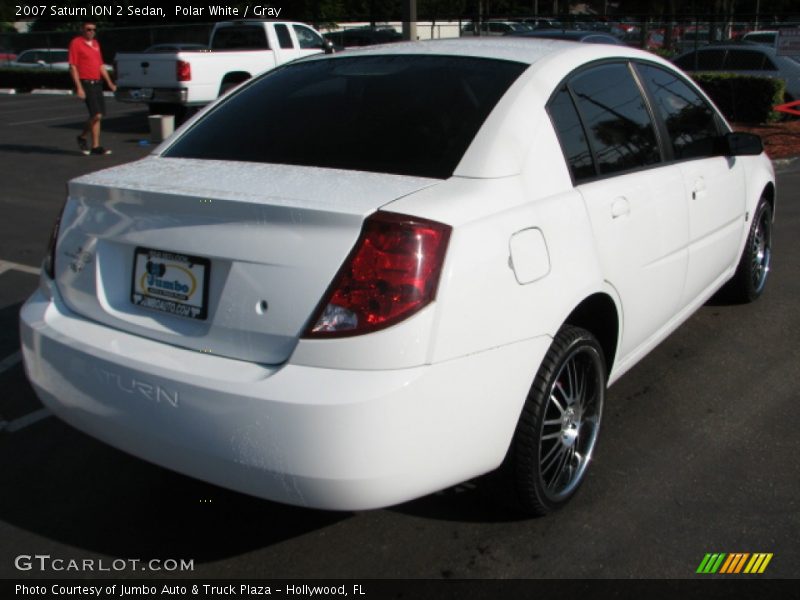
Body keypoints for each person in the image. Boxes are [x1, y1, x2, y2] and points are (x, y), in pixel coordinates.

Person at [68, 21, 117, 155]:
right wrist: (79, 87)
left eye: (93, 30)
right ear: (82, 30)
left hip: (97, 82)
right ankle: (82, 136)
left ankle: (96, 146)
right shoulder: (76, 43)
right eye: (88, 29)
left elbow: (100, 65)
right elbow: (73, 67)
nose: (91, 32)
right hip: (86, 82)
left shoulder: (96, 44)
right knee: (96, 114)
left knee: (98, 116)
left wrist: (110, 83)